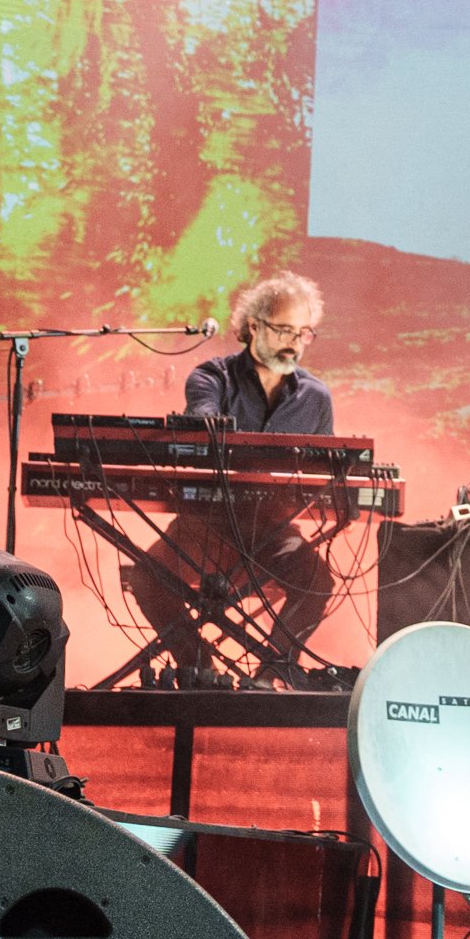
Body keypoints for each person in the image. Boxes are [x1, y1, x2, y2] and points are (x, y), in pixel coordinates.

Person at [123, 271, 340, 683]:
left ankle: (268, 673)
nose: (294, 342)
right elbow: (202, 420)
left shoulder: (316, 397)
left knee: (316, 580)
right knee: (148, 577)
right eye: (283, 330)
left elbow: (325, 472)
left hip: (271, 532)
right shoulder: (212, 377)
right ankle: (197, 662)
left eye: (304, 332)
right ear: (253, 326)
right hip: (203, 529)